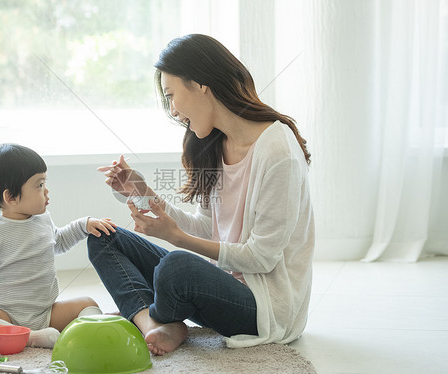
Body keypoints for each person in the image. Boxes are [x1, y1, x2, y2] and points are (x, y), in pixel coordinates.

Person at [89, 34, 314, 356]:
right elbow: (207, 227)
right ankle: (156, 322)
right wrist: (141, 192)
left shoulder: (278, 152)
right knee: (103, 236)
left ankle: (152, 314)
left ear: (200, 84)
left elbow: (262, 258)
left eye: (171, 95)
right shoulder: (214, 145)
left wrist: (177, 238)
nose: (172, 110)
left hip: (264, 310)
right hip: (214, 286)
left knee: (178, 266)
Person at [0, 143, 116, 348]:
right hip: (6, 315)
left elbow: (59, 242)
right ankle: (31, 338)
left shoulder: (43, 220)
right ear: (10, 197)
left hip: (46, 313)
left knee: (87, 303)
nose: (46, 191)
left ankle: (92, 331)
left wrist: (83, 225)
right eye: (39, 185)